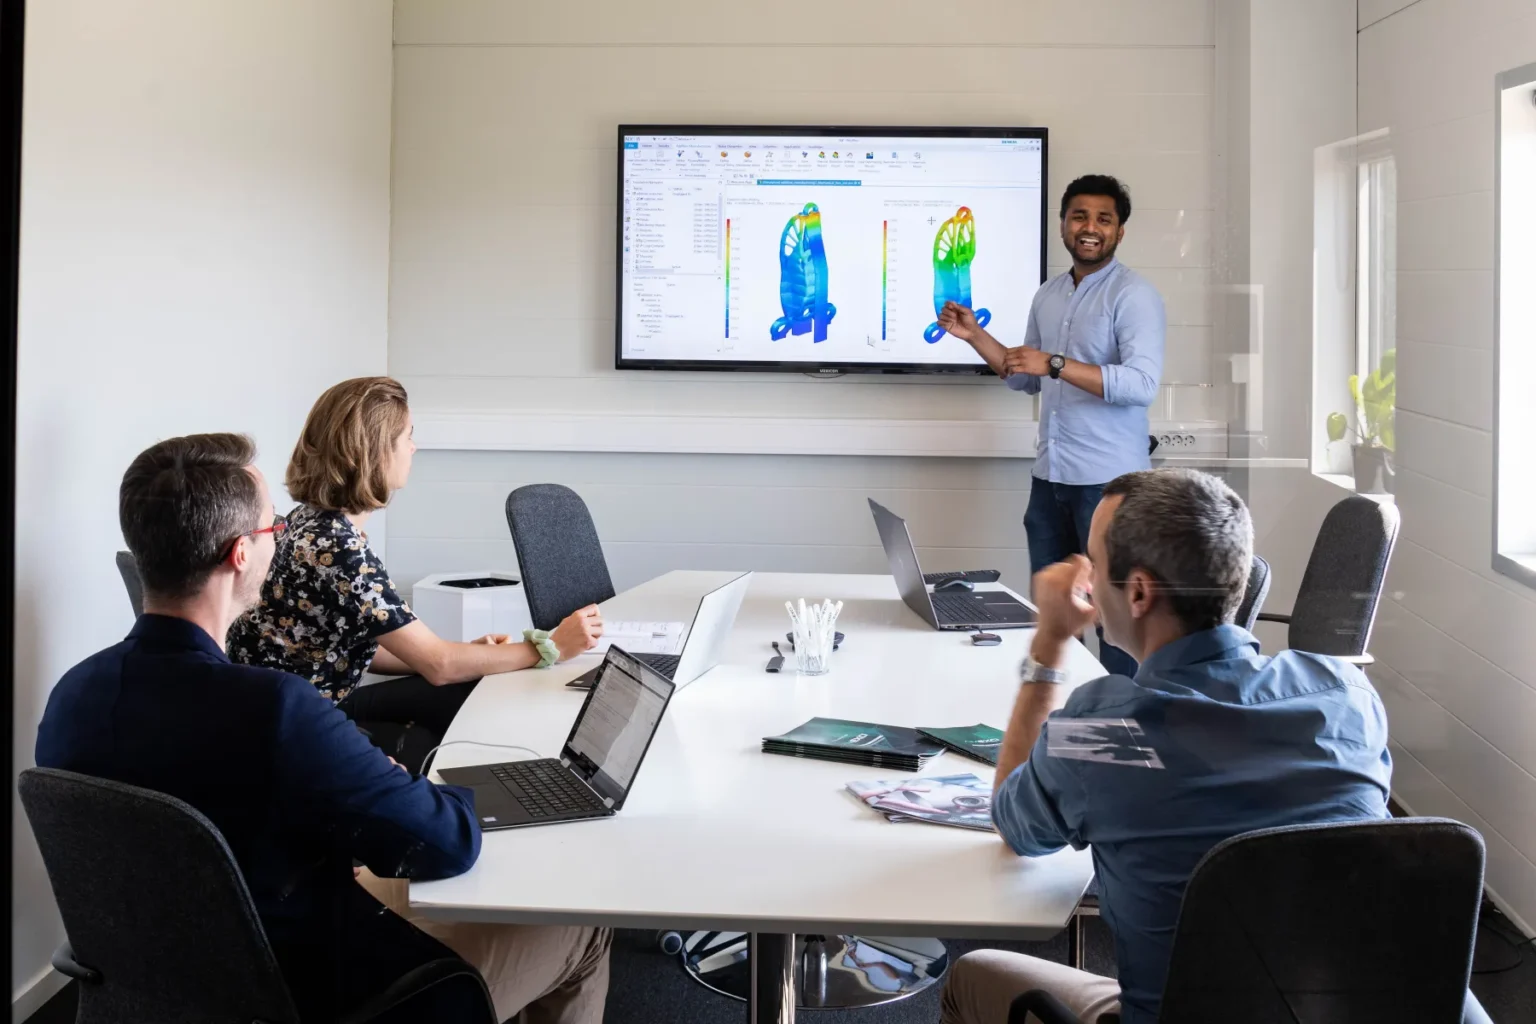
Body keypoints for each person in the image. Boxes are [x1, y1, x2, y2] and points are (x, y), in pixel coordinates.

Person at [36, 434, 611, 1023]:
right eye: (273, 529)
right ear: (240, 555)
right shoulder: (278, 709)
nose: (283, 537)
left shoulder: (72, 696)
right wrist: (399, 783)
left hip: (163, 984)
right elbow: (449, 844)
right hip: (314, 992)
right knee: (581, 927)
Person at [939, 469, 1392, 1024]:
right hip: (1359, 1009)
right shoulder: (1346, 698)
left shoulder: (1104, 734)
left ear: (1137, 592)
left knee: (972, 973)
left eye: (1095, 565)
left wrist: (1051, 639)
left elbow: (1012, 822)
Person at [227, 376, 603, 765]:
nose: (413, 447)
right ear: (374, 452)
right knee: (470, 693)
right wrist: (551, 647)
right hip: (296, 732)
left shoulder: (307, 521)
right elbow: (439, 665)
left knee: (474, 681)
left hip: (275, 712)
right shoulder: (339, 550)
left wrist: (468, 655)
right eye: (407, 436)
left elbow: (356, 648)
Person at [940, 174, 1164, 677]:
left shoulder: (1134, 295)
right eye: (1079, 216)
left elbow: (1141, 383)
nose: (1090, 227)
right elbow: (1023, 376)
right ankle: (1054, 722)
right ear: (1063, 224)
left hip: (1109, 487)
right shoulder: (1048, 295)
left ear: (1119, 232)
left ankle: (1117, 727)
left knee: (1114, 618)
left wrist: (1057, 364)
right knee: (1052, 612)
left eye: (1103, 219)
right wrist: (976, 336)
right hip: (1050, 480)